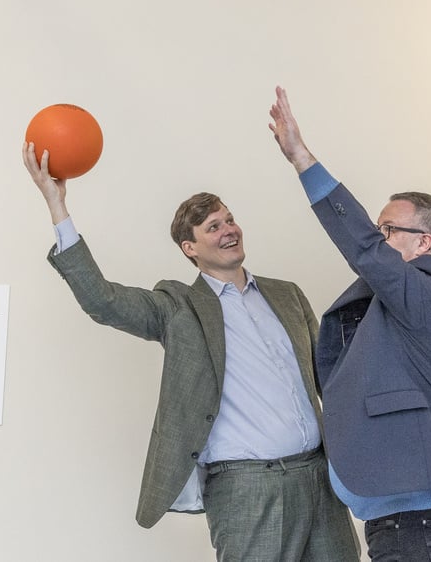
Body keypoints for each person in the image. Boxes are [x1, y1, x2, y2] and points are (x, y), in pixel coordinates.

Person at [21, 141, 359, 562]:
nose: (229, 230)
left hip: (320, 479)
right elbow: (102, 301)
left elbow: (330, 377)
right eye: (213, 227)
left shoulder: (286, 294)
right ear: (190, 248)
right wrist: (57, 206)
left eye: (229, 219)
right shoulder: (177, 307)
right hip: (247, 489)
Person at [267, 86, 431, 561]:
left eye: (388, 231)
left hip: (419, 523)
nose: (378, 239)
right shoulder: (399, 304)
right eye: (378, 229)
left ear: (423, 243)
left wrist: (302, 159)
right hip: (403, 519)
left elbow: (362, 247)